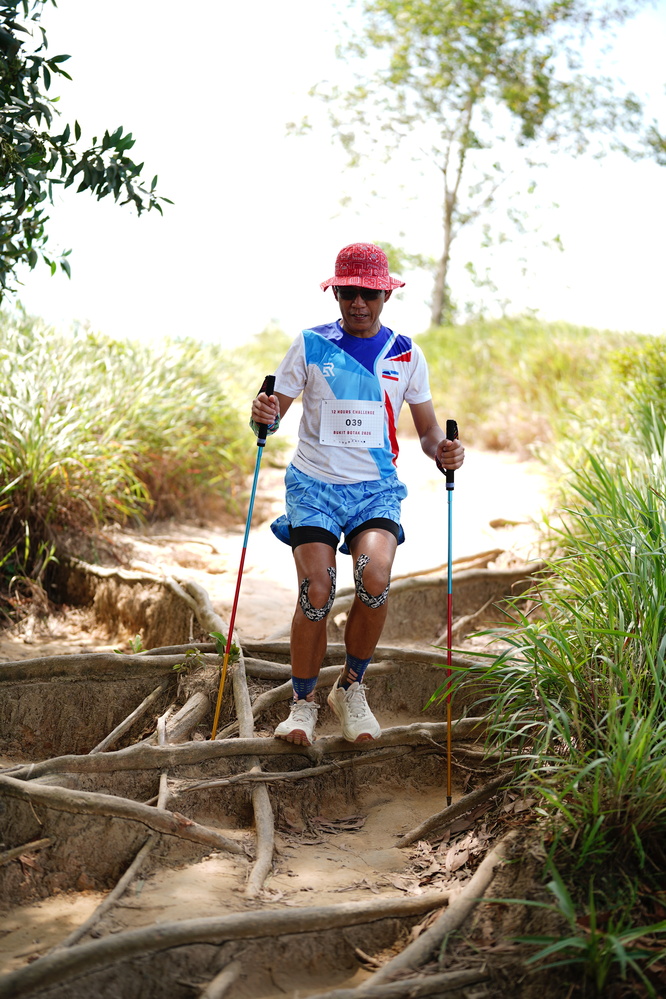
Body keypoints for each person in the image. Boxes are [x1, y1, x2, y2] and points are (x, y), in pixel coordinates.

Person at [250, 242, 464, 747]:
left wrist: (444, 451)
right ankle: (302, 702)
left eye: (369, 294)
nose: (358, 303)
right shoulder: (310, 345)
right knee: (317, 590)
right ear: (336, 294)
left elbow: (428, 431)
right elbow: (272, 414)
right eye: (348, 293)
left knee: (376, 578)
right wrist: (264, 415)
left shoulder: (406, 353)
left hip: (375, 490)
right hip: (314, 486)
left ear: (386, 295)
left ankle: (349, 688)